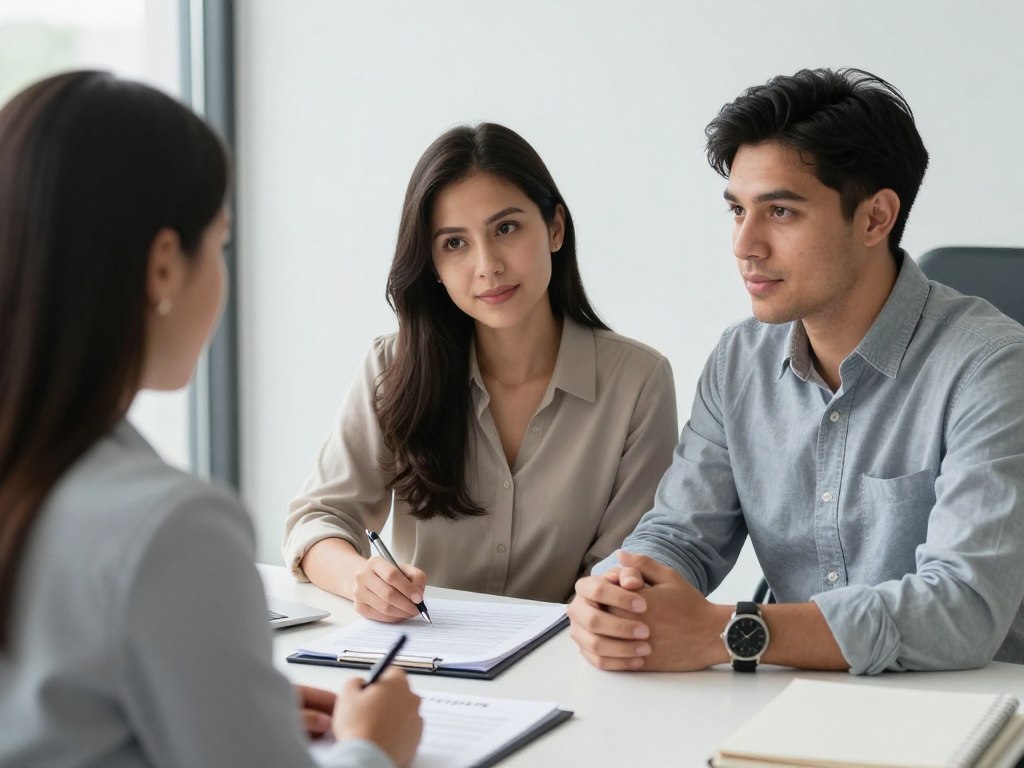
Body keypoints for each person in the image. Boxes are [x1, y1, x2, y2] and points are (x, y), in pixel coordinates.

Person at [0, 71, 421, 767]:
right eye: (220, 244)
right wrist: (373, 747)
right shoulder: (170, 528)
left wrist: (219, 698)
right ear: (164, 267)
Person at [567, 67, 1024, 676]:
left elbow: (962, 609)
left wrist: (733, 632)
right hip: (791, 698)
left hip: (970, 710)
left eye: (780, 211)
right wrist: (620, 593)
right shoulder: (739, 360)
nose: (745, 244)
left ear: (875, 219)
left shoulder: (991, 367)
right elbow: (681, 535)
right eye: (737, 210)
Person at [285, 123, 678, 622]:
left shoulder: (638, 382)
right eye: (454, 243)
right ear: (431, 262)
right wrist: (360, 579)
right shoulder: (392, 366)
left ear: (555, 228)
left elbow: (623, 569)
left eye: (506, 229)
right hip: (420, 663)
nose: (487, 265)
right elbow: (317, 518)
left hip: (569, 663)